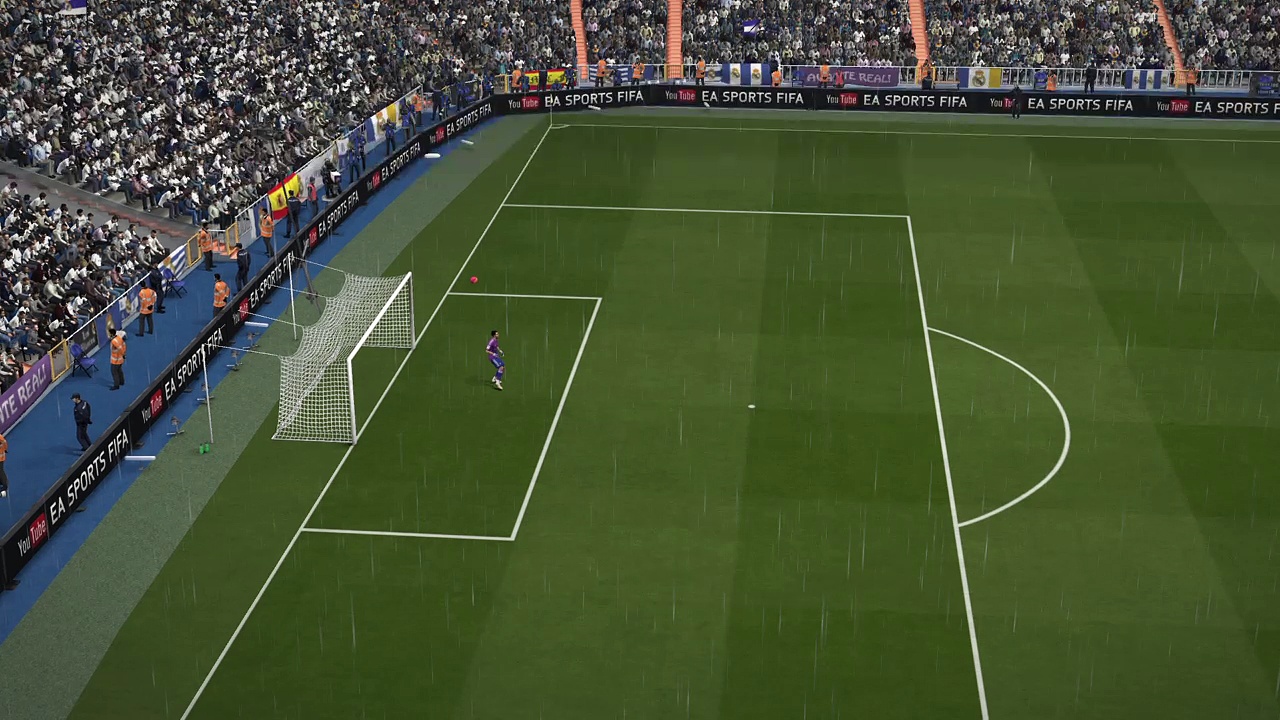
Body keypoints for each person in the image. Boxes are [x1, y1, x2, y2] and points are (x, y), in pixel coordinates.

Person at [0, 430, 8, 498]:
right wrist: (5, 449)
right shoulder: (0, 437)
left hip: (0, 458)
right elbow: (5, 443)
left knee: (1, 471)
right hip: (2, 457)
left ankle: (5, 485)